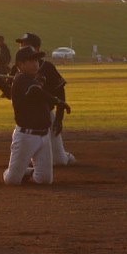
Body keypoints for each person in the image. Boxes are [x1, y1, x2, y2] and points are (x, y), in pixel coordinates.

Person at [18, 31, 75, 167]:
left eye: (25, 45)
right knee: (26, 161)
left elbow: (60, 92)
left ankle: (66, 156)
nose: (21, 48)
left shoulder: (47, 67)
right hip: (26, 118)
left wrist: (59, 119)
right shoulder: (18, 68)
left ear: (37, 49)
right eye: (21, 45)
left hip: (46, 116)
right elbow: (10, 95)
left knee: (60, 161)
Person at [2, 44, 54, 185]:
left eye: (36, 60)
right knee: (12, 181)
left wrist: (40, 81)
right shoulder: (20, 80)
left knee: (44, 180)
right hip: (26, 136)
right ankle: (13, 171)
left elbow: (37, 88)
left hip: (44, 135)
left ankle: (28, 171)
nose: (35, 64)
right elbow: (34, 91)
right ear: (21, 64)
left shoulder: (32, 79)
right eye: (31, 61)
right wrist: (56, 100)